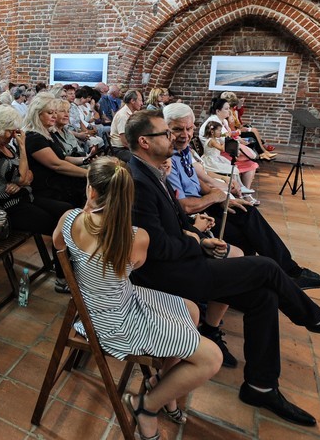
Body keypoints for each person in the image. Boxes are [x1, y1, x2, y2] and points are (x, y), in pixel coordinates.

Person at [125, 109, 320, 427]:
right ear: (144, 142)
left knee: (263, 296)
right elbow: (155, 247)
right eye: (165, 133)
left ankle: (261, 387)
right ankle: (319, 319)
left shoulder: (151, 171)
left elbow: (175, 223)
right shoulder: (138, 181)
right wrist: (196, 243)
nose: (173, 138)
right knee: (266, 267)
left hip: (181, 262)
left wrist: (200, 236)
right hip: (165, 276)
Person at [53, 157, 222, 439]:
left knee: (191, 310)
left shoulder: (70, 219)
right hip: (113, 321)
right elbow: (137, 264)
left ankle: (162, 384)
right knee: (212, 358)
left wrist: (86, 212)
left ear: (91, 190)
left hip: (110, 303)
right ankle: (146, 406)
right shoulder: (135, 236)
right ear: (127, 194)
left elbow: (59, 245)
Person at [163, 103, 320, 290]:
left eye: (189, 128)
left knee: (248, 212)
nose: (185, 134)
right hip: (192, 216)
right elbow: (185, 206)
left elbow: (197, 182)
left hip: (204, 204)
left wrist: (223, 198)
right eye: (178, 129)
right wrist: (216, 196)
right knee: (245, 233)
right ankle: (259, 281)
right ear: (165, 129)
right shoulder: (166, 158)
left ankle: (290, 272)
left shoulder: (183, 150)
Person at [0, 105, 71, 239]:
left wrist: (19, 182)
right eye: (10, 131)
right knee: (54, 222)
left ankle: (68, 250)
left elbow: (29, 174)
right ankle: (62, 251)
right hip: (10, 206)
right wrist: (22, 148)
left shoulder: (7, 147)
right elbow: (23, 177)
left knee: (67, 210)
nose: (13, 135)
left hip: (26, 197)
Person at [23, 93, 88, 207]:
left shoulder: (48, 133)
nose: (54, 116)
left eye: (55, 112)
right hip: (47, 189)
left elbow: (63, 158)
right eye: (49, 113)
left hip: (58, 183)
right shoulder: (33, 137)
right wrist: (87, 173)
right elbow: (56, 165)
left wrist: (85, 160)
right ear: (37, 114)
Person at [223, 92, 276, 158]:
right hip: (233, 134)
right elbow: (230, 129)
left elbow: (237, 123)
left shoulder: (232, 111)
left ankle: (263, 151)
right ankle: (262, 152)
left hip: (236, 131)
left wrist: (240, 128)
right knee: (252, 134)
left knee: (252, 131)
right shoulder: (227, 114)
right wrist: (239, 131)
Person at [110, 89, 143, 161]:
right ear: (132, 101)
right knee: (142, 159)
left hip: (128, 147)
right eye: (140, 100)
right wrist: (140, 151)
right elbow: (125, 142)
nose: (142, 103)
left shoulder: (133, 113)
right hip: (120, 149)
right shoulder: (123, 115)